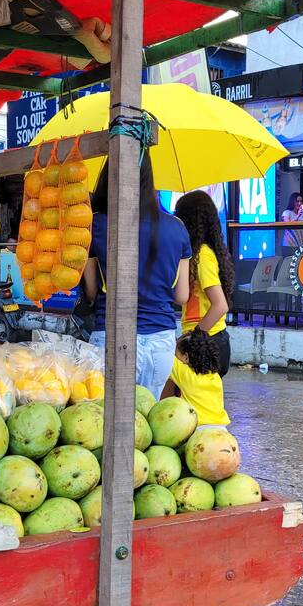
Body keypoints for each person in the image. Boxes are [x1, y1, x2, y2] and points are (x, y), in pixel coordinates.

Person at [82, 156, 191, 397]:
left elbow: (91, 291)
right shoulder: (177, 227)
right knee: (146, 423)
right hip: (159, 342)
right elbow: (182, 296)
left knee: (103, 426)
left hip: (109, 337)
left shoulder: (95, 224)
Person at [174, 191, 235, 376]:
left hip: (208, 340)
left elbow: (220, 306)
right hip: (210, 339)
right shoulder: (200, 254)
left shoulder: (203, 256)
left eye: (179, 218)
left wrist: (192, 338)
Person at [165, 330, 230, 427]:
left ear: (186, 357)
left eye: (176, 353)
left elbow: (164, 355)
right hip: (220, 427)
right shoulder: (215, 376)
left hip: (198, 428)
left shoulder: (184, 373)